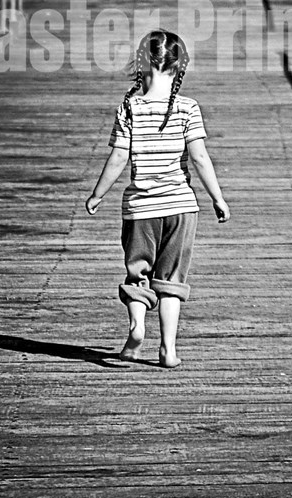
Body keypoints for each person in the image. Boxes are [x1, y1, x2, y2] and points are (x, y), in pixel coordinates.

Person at [85, 28, 230, 368]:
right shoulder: (187, 108)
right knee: (171, 280)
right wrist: (217, 198)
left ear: (141, 63)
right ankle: (168, 349)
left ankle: (137, 327)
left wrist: (97, 194)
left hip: (140, 210)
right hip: (181, 208)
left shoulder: (129, 108)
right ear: (180, 66)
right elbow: (200, 158)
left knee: (139, 274)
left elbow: (119, 157)